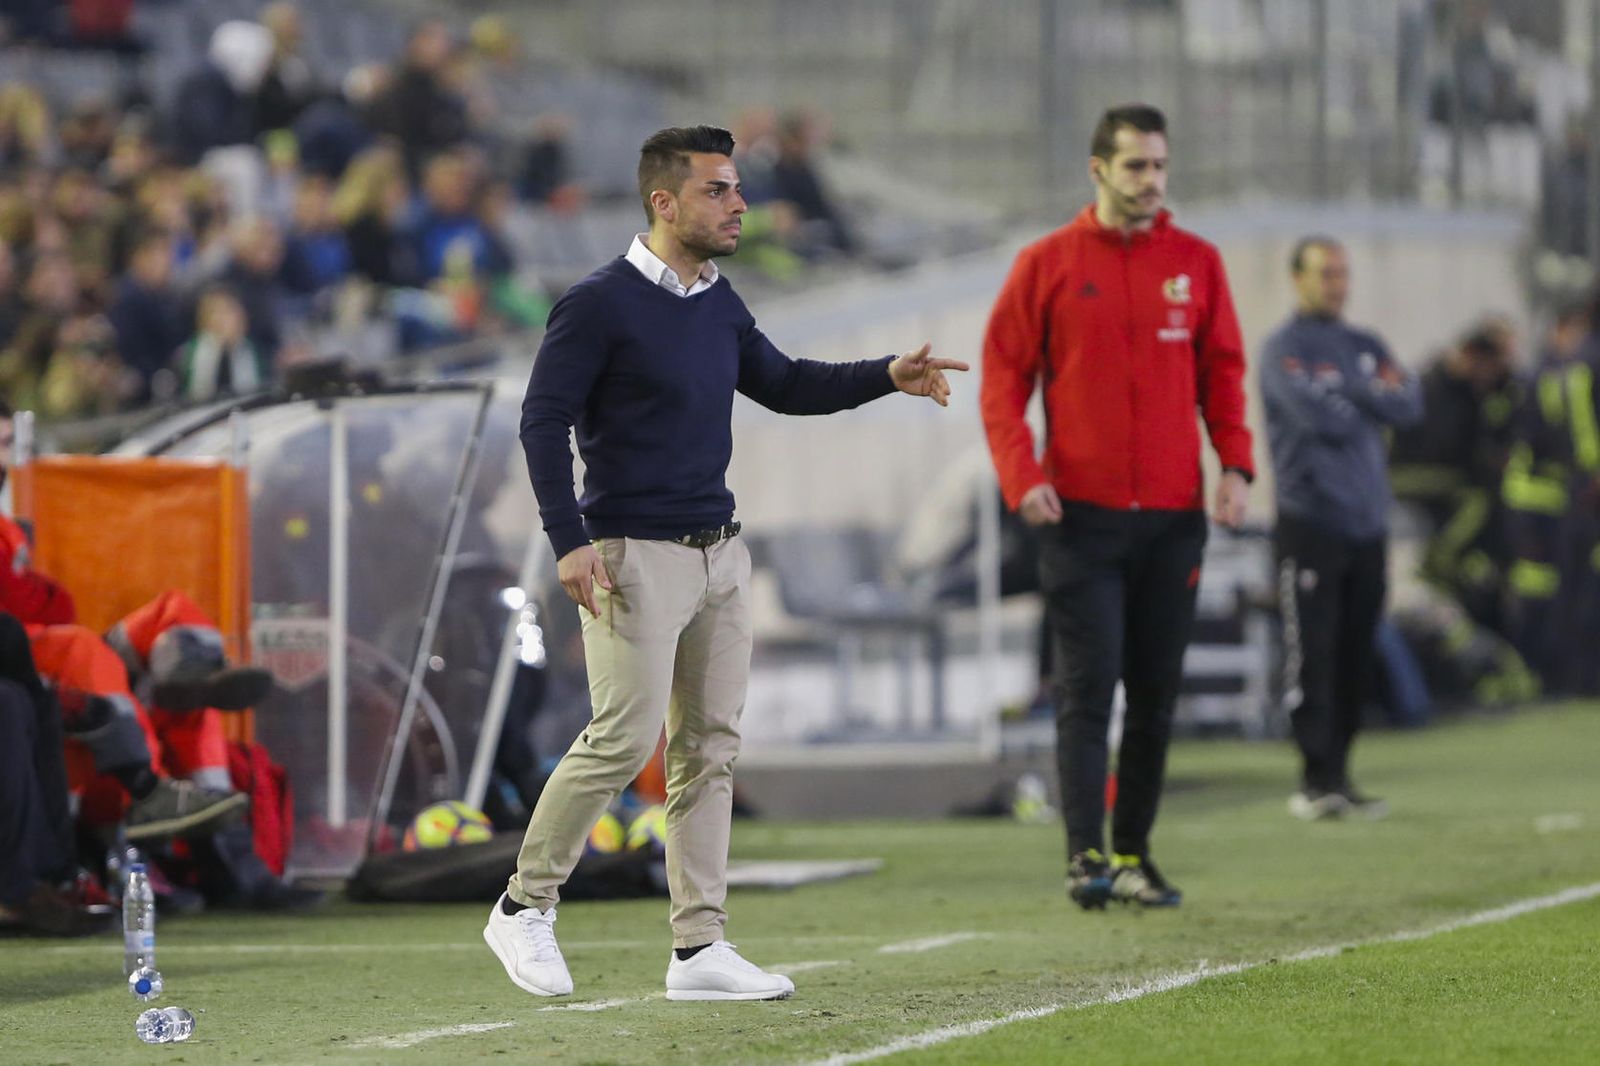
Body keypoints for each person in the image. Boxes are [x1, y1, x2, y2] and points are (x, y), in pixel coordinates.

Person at [485, 125, 967, 1000]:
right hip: (632, 555)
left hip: (720, 553)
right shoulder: (595, 303)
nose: (739, 202)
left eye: (737, 187)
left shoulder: (718, 297)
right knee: (624, 737)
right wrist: (569, 539)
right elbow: (540, 422)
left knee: (709, 751)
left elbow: (785, 383)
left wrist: (884, 373)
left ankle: (699, 949)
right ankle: (524, 906)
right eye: (717, 189)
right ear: (664, 202)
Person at [979, 103, 1252, 911]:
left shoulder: (1196, 262)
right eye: (1137, 167)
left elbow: (1224, 373)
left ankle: (1134, 852)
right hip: (1081, 520)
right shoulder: (1048, 263)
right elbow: (1002, 379)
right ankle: (1083, 857)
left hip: (1174, 518)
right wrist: (1021, 474)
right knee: (1088, 688)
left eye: (1161, 167)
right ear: (1098, 169)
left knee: (1157, 693)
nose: (1152, 182)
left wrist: (1235, 464)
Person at [1259, 237, 1422, 820]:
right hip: (1311, 526)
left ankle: (1343, 775)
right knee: (1314, 654)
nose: (1337, 283)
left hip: (1366, 525)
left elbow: (1409, 403)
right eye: (1325, 273)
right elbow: (1320, 418)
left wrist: (1353, 390)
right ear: (1297, 277)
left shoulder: (1363, 344)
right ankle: (1313, 778)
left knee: (1357, 654)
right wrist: (1366, 393)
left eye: (1342, 273)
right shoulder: (1282, 350)